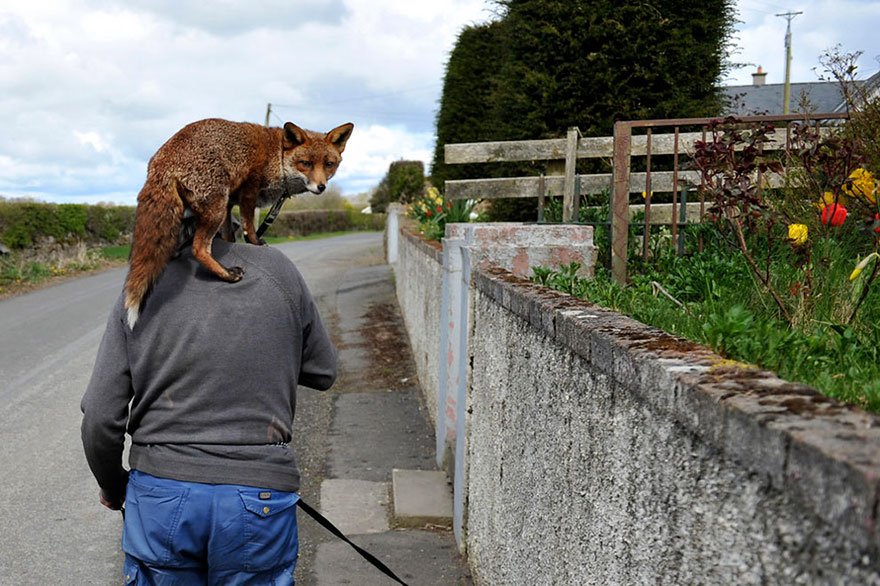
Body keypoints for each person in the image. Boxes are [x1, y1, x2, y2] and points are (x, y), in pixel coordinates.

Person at [81, 221, 337, 585]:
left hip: (161, 496)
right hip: (258, 493)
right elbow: (323, 371)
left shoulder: (139, 287)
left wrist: (112, 486)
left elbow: (100, 417)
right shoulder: (277, 269)